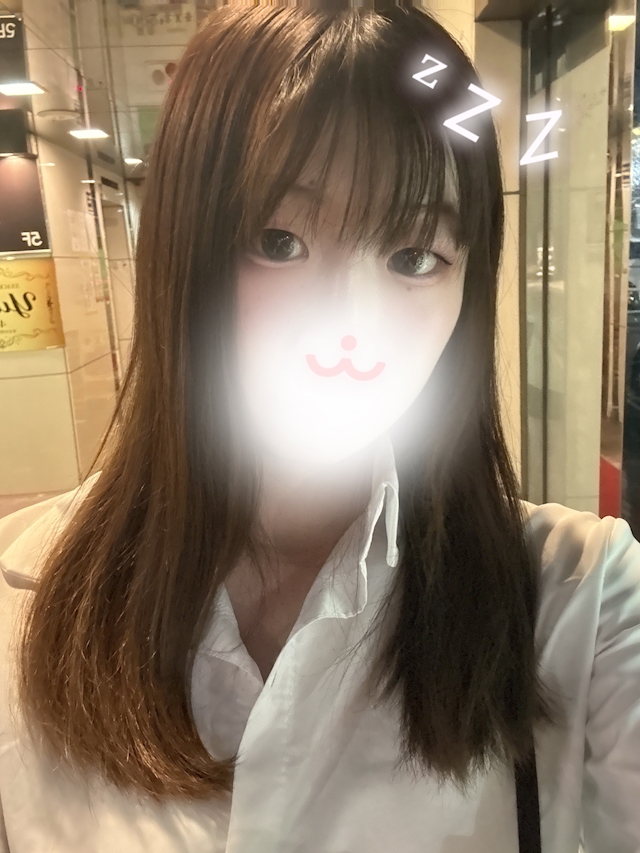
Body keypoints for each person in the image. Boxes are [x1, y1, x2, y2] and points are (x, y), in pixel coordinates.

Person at [0, 4, 639, 852]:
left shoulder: (578, 603)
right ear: (180, 254)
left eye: (415, 257)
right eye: (278, 241)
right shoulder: (23, 601)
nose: (348, 328)